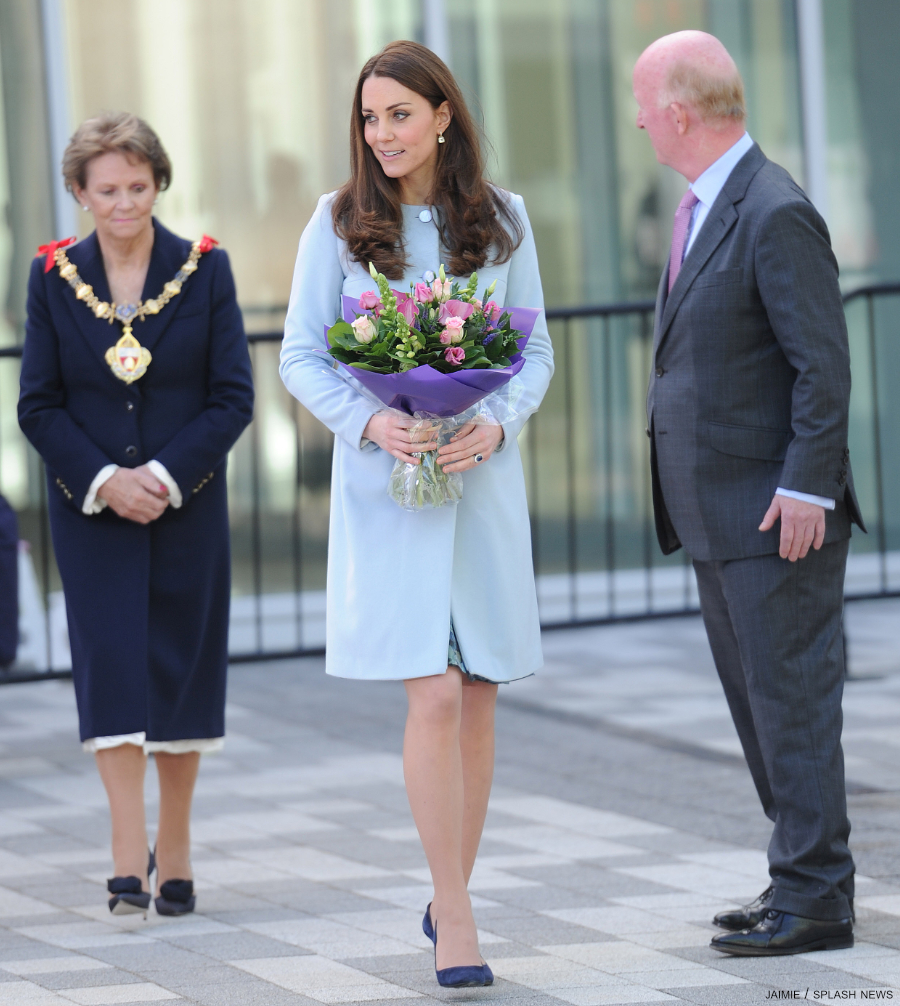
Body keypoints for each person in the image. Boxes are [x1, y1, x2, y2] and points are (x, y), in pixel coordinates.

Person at [280, 41, 553, 989]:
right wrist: (372, 425)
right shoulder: (337, 220)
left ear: (443, 115)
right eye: (369, 117)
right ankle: (461, 910)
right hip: (389, 490)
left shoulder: (506, 218)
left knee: (477, 694)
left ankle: (448, 898)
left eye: (399, 113)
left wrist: (497, 425)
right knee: (431, 691)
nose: (381, 133)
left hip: (477, 486)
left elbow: (538, 354)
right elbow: (303, 354)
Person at [634, 32, 865, 956]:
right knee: (760, 709)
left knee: (793, 707)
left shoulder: (773, 211)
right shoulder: (707, 205)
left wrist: (809, 485)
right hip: (721, 514)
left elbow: (824, 368)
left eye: (645, 103)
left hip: (778, 518)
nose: (640, 119)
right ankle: (797, 878)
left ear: (680, 113)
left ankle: (817, 899)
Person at [18, 113, 254, 917]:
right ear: (79, 192)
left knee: (182, 671)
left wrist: (158, 474)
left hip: (186, 506)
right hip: (90, 515)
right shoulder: (50, 276)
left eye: (139, 186)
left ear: (160, 183)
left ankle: (178, 850)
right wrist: (105, 481)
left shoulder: (205, 269)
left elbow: (233, 398)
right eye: (107, 189)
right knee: (111, 667)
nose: (125, 203)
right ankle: (126, 852)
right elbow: (38, 406)